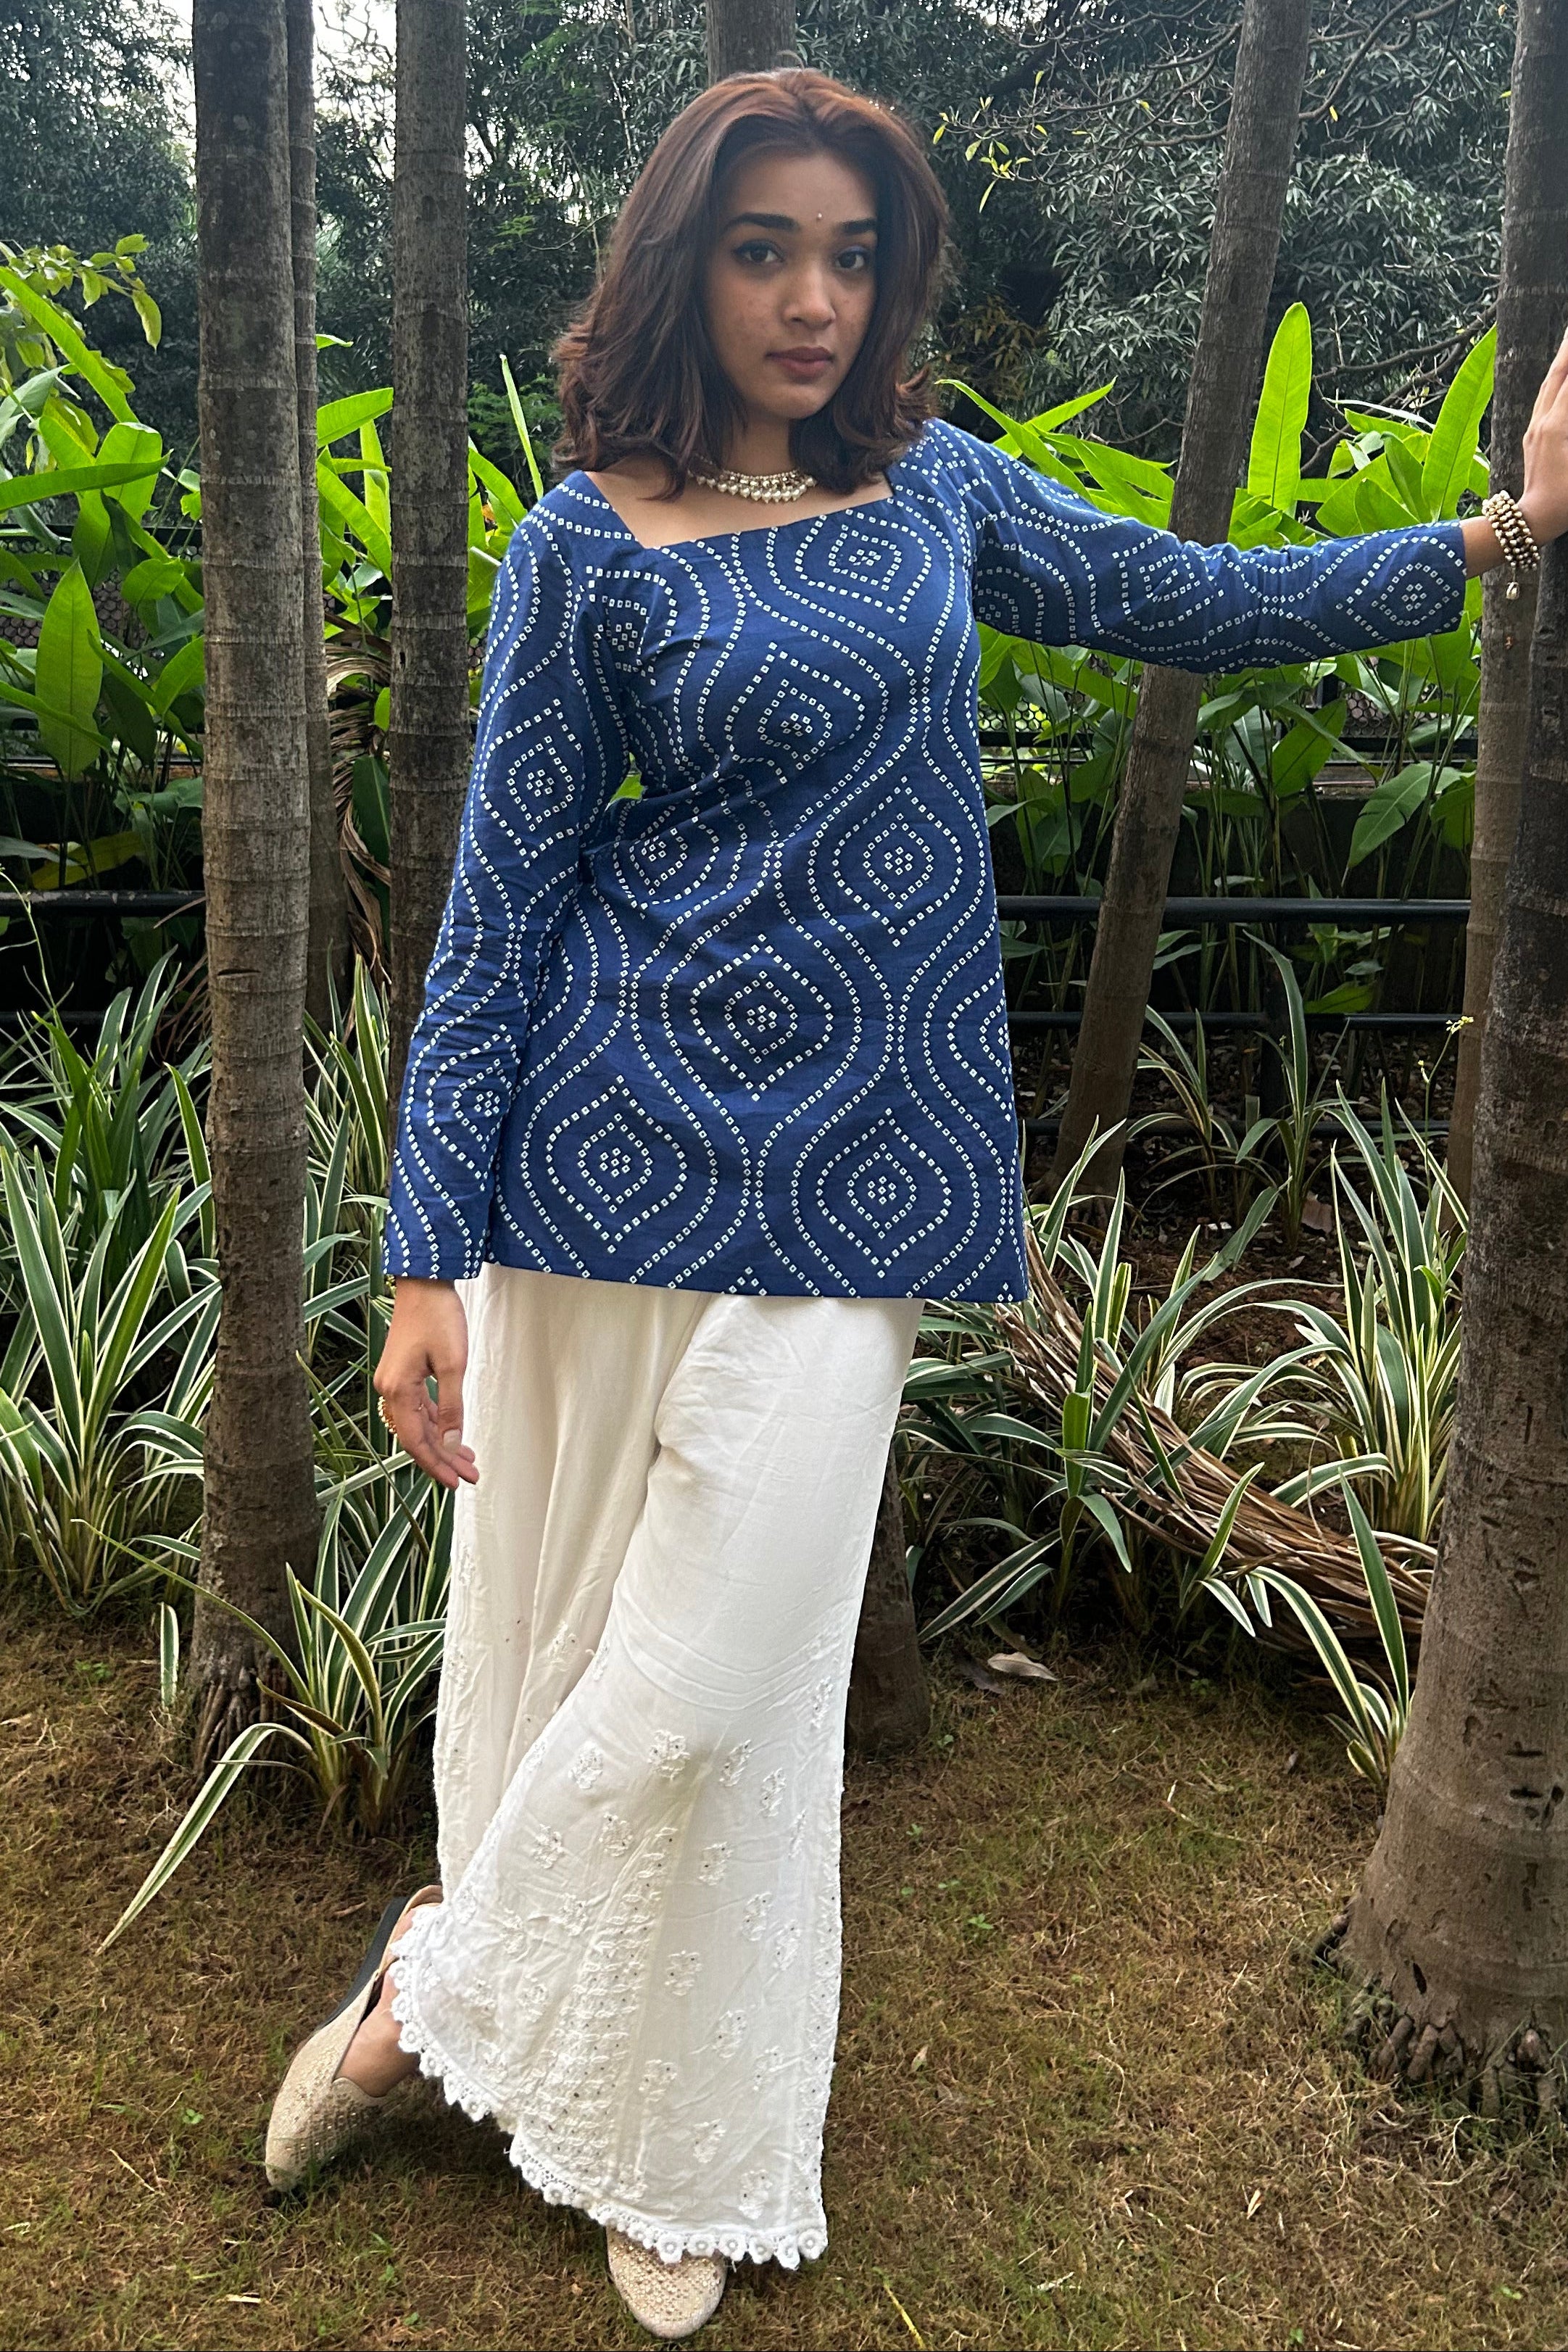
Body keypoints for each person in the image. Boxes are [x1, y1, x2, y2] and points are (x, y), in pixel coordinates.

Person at [262, 63, 1568, 2343]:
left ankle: (424, 1989)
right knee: (586, 1656)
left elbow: (1198, 596)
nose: (812, 297)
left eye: (850, 255)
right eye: (765, 248)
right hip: (598, 1169)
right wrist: (417, 1256)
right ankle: (650, 2134)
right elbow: (499, 913)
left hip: (864, 1189)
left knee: (702, 1689)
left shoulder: (935, 493)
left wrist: (1498, 535)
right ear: (684, 262)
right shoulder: (586, 542)